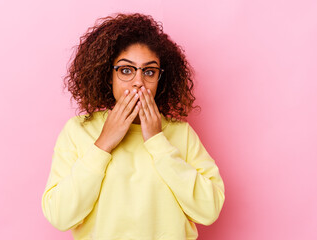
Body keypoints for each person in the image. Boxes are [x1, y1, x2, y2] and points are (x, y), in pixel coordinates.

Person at [42, 12, 225, 240]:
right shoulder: (78, 131)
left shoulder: (180, 133)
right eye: (126, 70)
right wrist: (102, 145)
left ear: (160, 78)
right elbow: (60, 216)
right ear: (109, 75)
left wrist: (158, 143)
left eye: (149, 71)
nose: (139, 81)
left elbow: (209, 210)